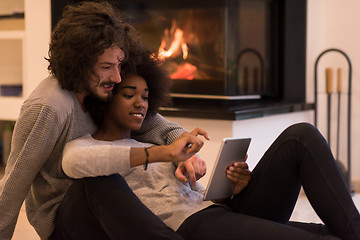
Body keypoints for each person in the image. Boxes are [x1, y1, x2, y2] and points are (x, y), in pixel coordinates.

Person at [61, 55, 360, 240]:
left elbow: (196, 194)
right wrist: (164, 153)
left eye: (146, 96)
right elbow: (75, 162)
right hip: (193, 226)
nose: (141, 103)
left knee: (301, 135)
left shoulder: (155, 137)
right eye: (129, 94)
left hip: (219, 211)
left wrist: (235, 187)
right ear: (106, 98)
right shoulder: (86, 148)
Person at [0, 2, 205, 240]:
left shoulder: (100, 87)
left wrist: (186, 148)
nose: (117, 77)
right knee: (96, 177)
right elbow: (12, 187)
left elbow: (154, 124)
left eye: (118, 65)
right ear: (79, 64)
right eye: (107, 67)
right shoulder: (47, 108)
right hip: (67, 218)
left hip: (108, 211)